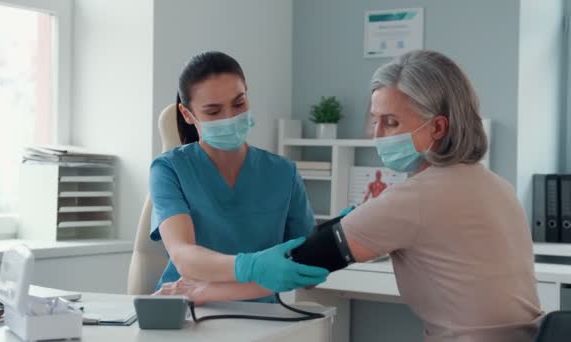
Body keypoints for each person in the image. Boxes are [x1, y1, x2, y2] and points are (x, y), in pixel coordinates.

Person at [164, 50, 544, 341]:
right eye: (374, 119)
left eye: (391, 122)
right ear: (189, 113)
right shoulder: (498, 185)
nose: (376, 134)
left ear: (438, 127)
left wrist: (201, 290)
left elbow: (303, 263)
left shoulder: (415, 198)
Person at [149, 51, 328, 303]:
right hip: (184, 310)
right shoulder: (169, 169)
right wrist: (252, 266)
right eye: (213, 111)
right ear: (187, 115)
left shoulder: (283, 173)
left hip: (259, 318)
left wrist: (330, 245)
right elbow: (184, 257)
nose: (230, 118)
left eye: (238, 103)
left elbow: (307, 271)